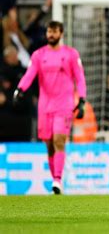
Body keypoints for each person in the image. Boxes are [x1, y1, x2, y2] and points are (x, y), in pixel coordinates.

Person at [13, 21, 87, 194]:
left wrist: (82, 99)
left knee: (59, 140)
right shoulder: (38, 55)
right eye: (49, 31)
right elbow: (30, 74)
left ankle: (57, 180)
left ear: (61, 34)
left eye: (54, 31)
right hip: (45, 105)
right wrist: (20, 89)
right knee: (49, 144)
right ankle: (56, 180)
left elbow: (80, 78)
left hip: (64, 104)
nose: (51, 34)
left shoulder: (71, 54)